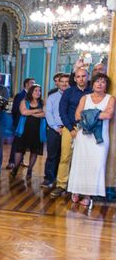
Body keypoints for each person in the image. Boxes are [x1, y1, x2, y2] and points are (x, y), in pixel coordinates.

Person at [67, 73, 114, 208]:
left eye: (103, 82)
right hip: (83, 137)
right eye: (97, 81)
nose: (99, 84)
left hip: (99, 139)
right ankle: (76, 190)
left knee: (96, 166)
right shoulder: (85, 97)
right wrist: (98, 114)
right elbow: (77, 115)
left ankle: (88, 195)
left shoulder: (110, 98)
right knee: (80, 164)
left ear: (106, 86)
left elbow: (109, 114)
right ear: (92, 84)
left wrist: (88, 114)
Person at [50, 68, 91, 199]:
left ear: (88, 77)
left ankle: (79, 186)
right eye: (78, 76)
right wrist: (71, 129)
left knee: (83, 159)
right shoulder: (68, 92)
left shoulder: (92, 92)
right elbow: (63, 112)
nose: (81, 79)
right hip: (70, 127)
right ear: (75, 78)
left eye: (83, 76)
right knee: (65, 156)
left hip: (87, 129)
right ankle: (61, 184)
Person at [11, 84, 46, 180]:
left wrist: (31, 113)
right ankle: (16, 168)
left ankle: (30, 170)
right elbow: (23, 112)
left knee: (34, 151)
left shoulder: (42, 102)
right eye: (36, 90)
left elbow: (44, 114)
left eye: (39, 91)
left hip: (37, 130)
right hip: (24, 130)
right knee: (19, 150)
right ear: (31, 91)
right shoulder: (24, 101)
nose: (38, 92)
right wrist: (37, 111)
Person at [43, 74, 70, 188]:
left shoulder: (72, 96)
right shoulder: (52, 97)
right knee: (52, 155)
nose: (64, 83)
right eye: (62, 81)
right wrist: (55, 127)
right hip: (54, 129)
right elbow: (48, 114)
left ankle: (62, 181)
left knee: (65, 156)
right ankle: (49, 178)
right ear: (57, 83)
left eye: (66, 81)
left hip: (68, 129)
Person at [7, 78, 35, 169]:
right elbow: (15, 110)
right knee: (16, 143)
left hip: (29, 124)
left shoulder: (33, 96)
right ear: (26, 84)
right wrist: (16, 122)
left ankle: (20, 161)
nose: (34, 85)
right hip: (19, 123)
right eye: (32, 83)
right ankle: (12, 161)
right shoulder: (20, 95)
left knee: (24, 143)